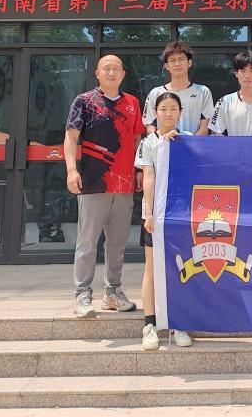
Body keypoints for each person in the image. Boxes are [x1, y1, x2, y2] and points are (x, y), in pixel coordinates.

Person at [64, 54, 144, 319]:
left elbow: (136, 139)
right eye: (106, 68)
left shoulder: (132, 103)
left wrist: (139, 170)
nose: (111, 72)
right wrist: (72, 170)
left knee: (117, 244)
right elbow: (71, 137)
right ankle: (82, 294)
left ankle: (113, 292)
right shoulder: (84, 101)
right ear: (97, 73)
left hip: (124, 184)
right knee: (87, 242)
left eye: (116, 68)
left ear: (123, 74)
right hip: (93, 182)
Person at [136, 91, 193, 351]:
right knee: (151, 268)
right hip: (156, 215)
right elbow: (148, 177)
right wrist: (148, 213)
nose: (168, 114)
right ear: (155, 113)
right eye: (163, 109)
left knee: (179, 267)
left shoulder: (188, 139)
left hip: (181, 215)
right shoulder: (148, 143)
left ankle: (178, 322)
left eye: (173, 109)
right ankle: (150, 324)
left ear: (180, 112)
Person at [209, 50, 252, 136]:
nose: (247, 75)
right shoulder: (224, 101)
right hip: (233, 145)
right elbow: (216, 132)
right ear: (236, 73)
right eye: (243, 71)